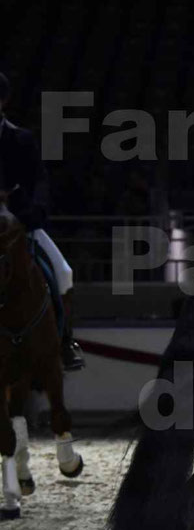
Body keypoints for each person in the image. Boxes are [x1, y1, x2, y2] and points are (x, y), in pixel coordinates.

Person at [0, 71, 85, 371]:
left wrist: (33, 212)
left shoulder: (20, 138)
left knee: (64, 273)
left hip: (17, 221)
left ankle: (65, 343)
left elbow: (38, 181)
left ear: (3, 101)